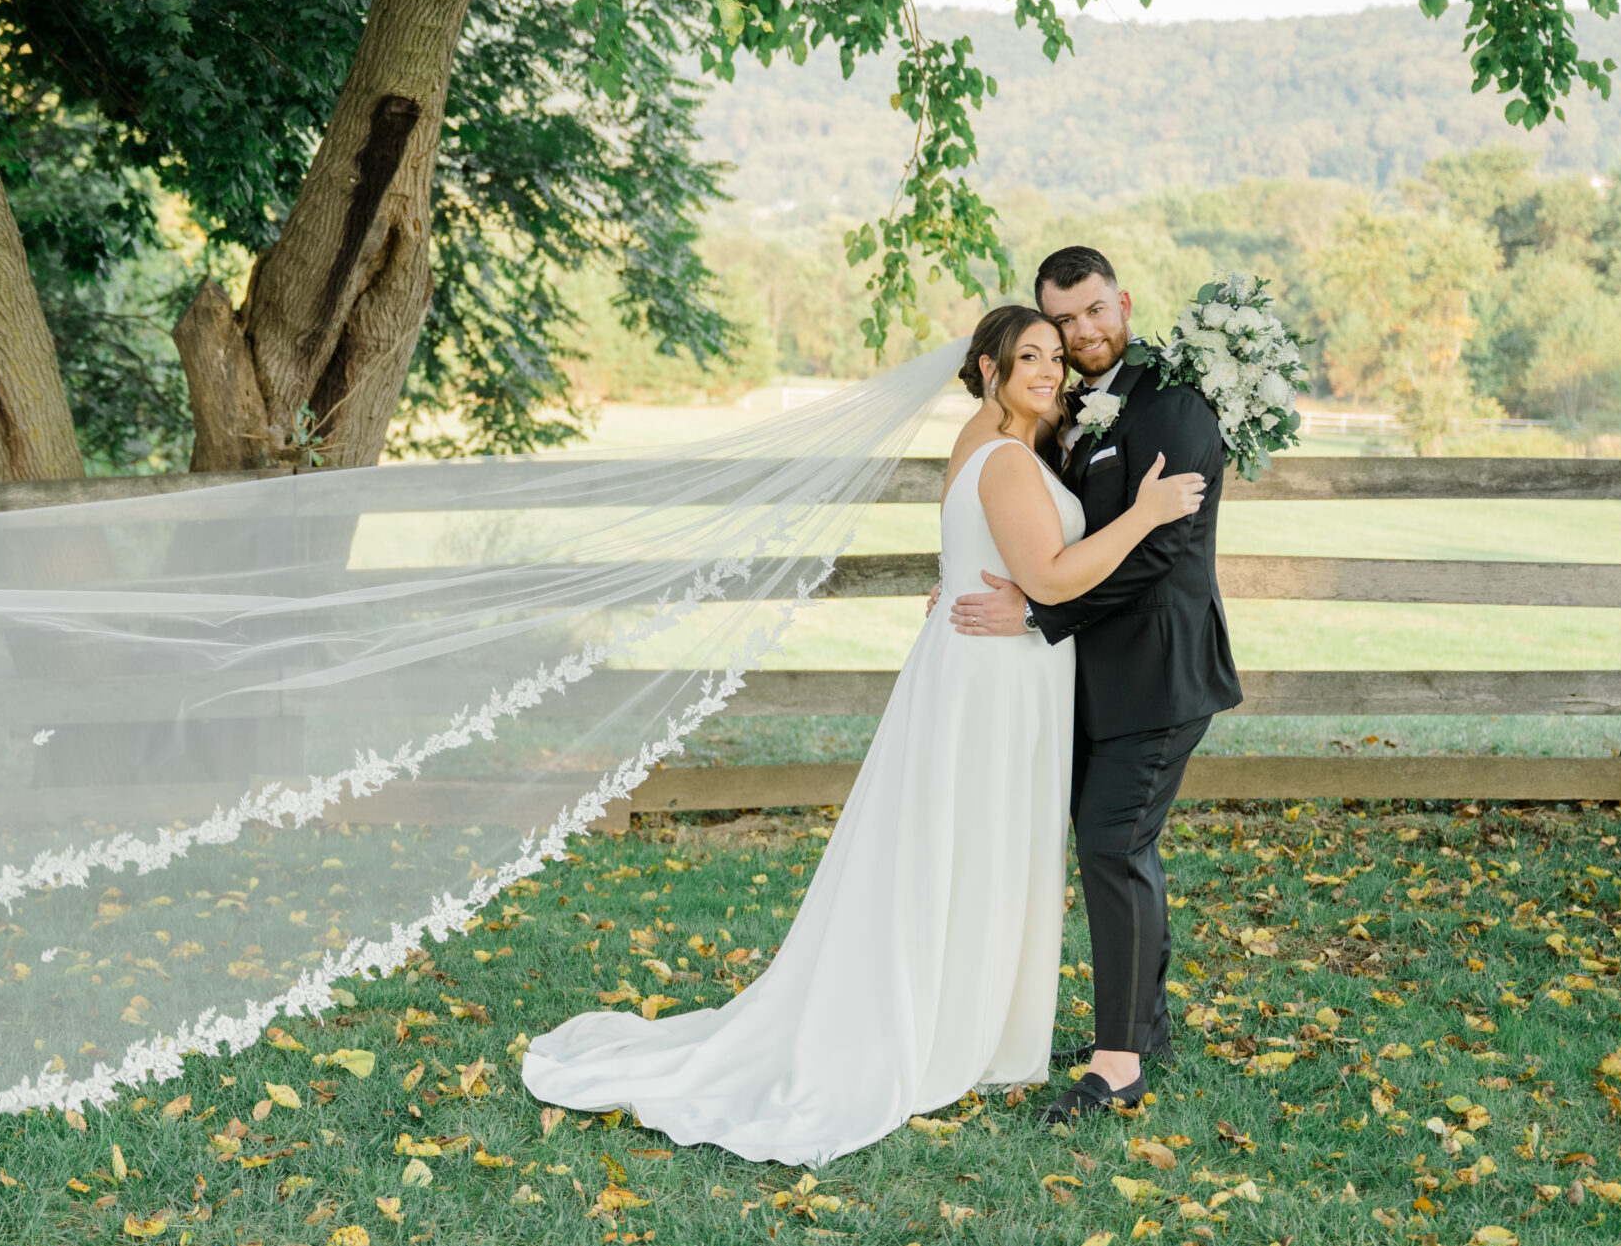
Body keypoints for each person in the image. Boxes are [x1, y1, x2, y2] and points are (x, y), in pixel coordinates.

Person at [516, 304, 1205, 1166]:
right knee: (974, 850)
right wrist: (1146, 512)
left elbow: (988, 560)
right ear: (988, 370)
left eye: (1056, 358)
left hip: (981, 671)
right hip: (993, 685)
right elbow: (1051, 573)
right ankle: (952, 1026)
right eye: (1028, 356)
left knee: (955, 851)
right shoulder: (1008, 464)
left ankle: (965, 1009)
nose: (1049, 372)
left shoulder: (986, 448)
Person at [949, 246, 1242, 1126]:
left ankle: (1118, 1063)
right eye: (1061, 321)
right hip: (1091, 682)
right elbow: (1037, 525)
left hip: (1160, 672)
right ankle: (1138, 1025)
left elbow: (1163, 550)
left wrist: (1042, 614)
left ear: (1123, 301)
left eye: (1091, 312)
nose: (1080, 333)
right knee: (1115, 847)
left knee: (1112, 846)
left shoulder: (1177, 408)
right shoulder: (1070, 414)